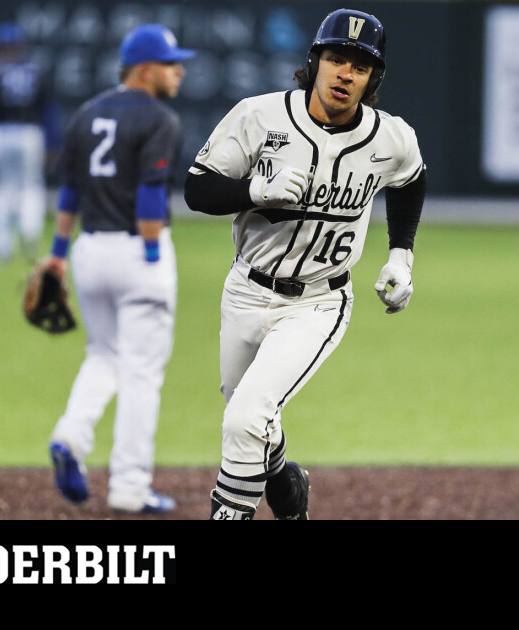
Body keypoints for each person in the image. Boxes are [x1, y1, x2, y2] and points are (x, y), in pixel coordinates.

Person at [184, 8, 427, 520]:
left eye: (359, 66)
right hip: (246, 290)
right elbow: (197, 188)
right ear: (314, 61)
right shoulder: (259, 116)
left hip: (319, 301)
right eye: (336, 58)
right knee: (247, 415)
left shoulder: (391, 137)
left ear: (372, 78)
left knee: (244, 420)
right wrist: (252, 189)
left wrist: (401, 256)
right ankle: (288, 486)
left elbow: (410, 181)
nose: (345, 73)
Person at [43, 24, 194, 515]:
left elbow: (70, 193)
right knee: (142, 373)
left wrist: (57, 254)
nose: (180, 71)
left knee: (103, 354)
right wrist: (152, 259)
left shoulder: (86, 114)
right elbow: (151, 196)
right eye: (172, 63)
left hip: (89, 250)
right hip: (138, 252)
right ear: (145, 70)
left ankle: (71, 432)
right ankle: (130, 486)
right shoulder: (159, 119)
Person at [0, 22, 61, 265]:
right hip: (30, 134)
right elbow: (49, 113)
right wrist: (52, 144)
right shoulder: (37, 71)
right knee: (31, 186)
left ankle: (2, 248)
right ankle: (30, 231)